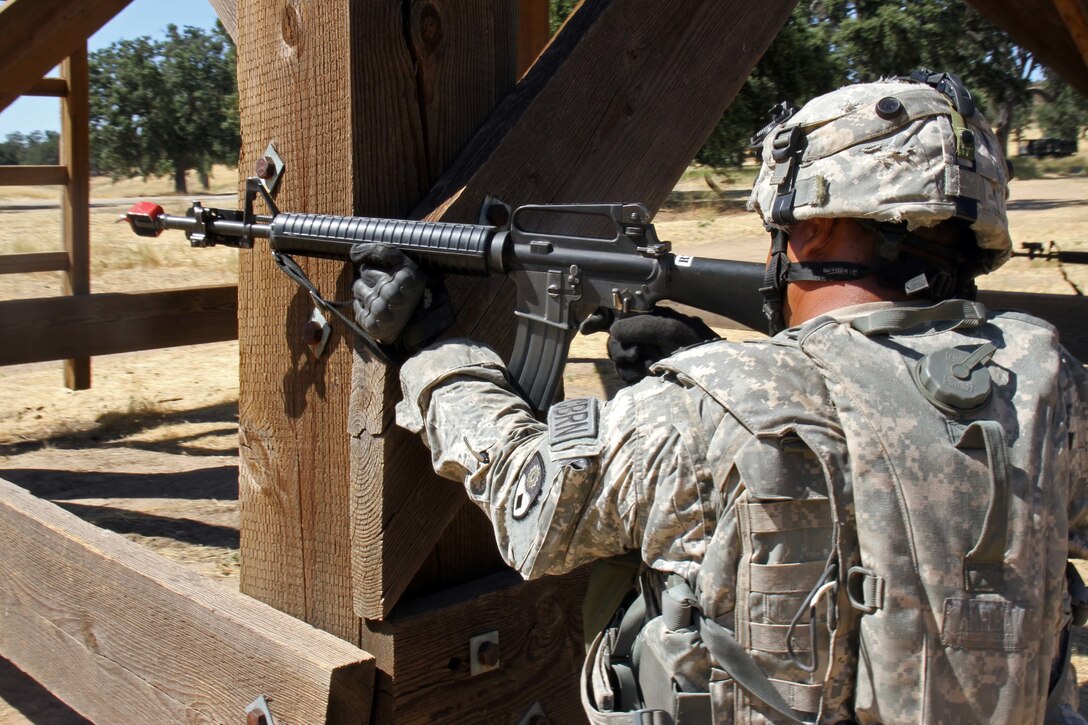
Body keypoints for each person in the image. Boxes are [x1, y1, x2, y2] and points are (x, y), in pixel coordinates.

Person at [351, 72, 1088, 724]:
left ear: (819, 222)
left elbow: (535, 508)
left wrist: (430, 346)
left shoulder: (710, 405)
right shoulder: (1045, 383)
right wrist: (715, 369)